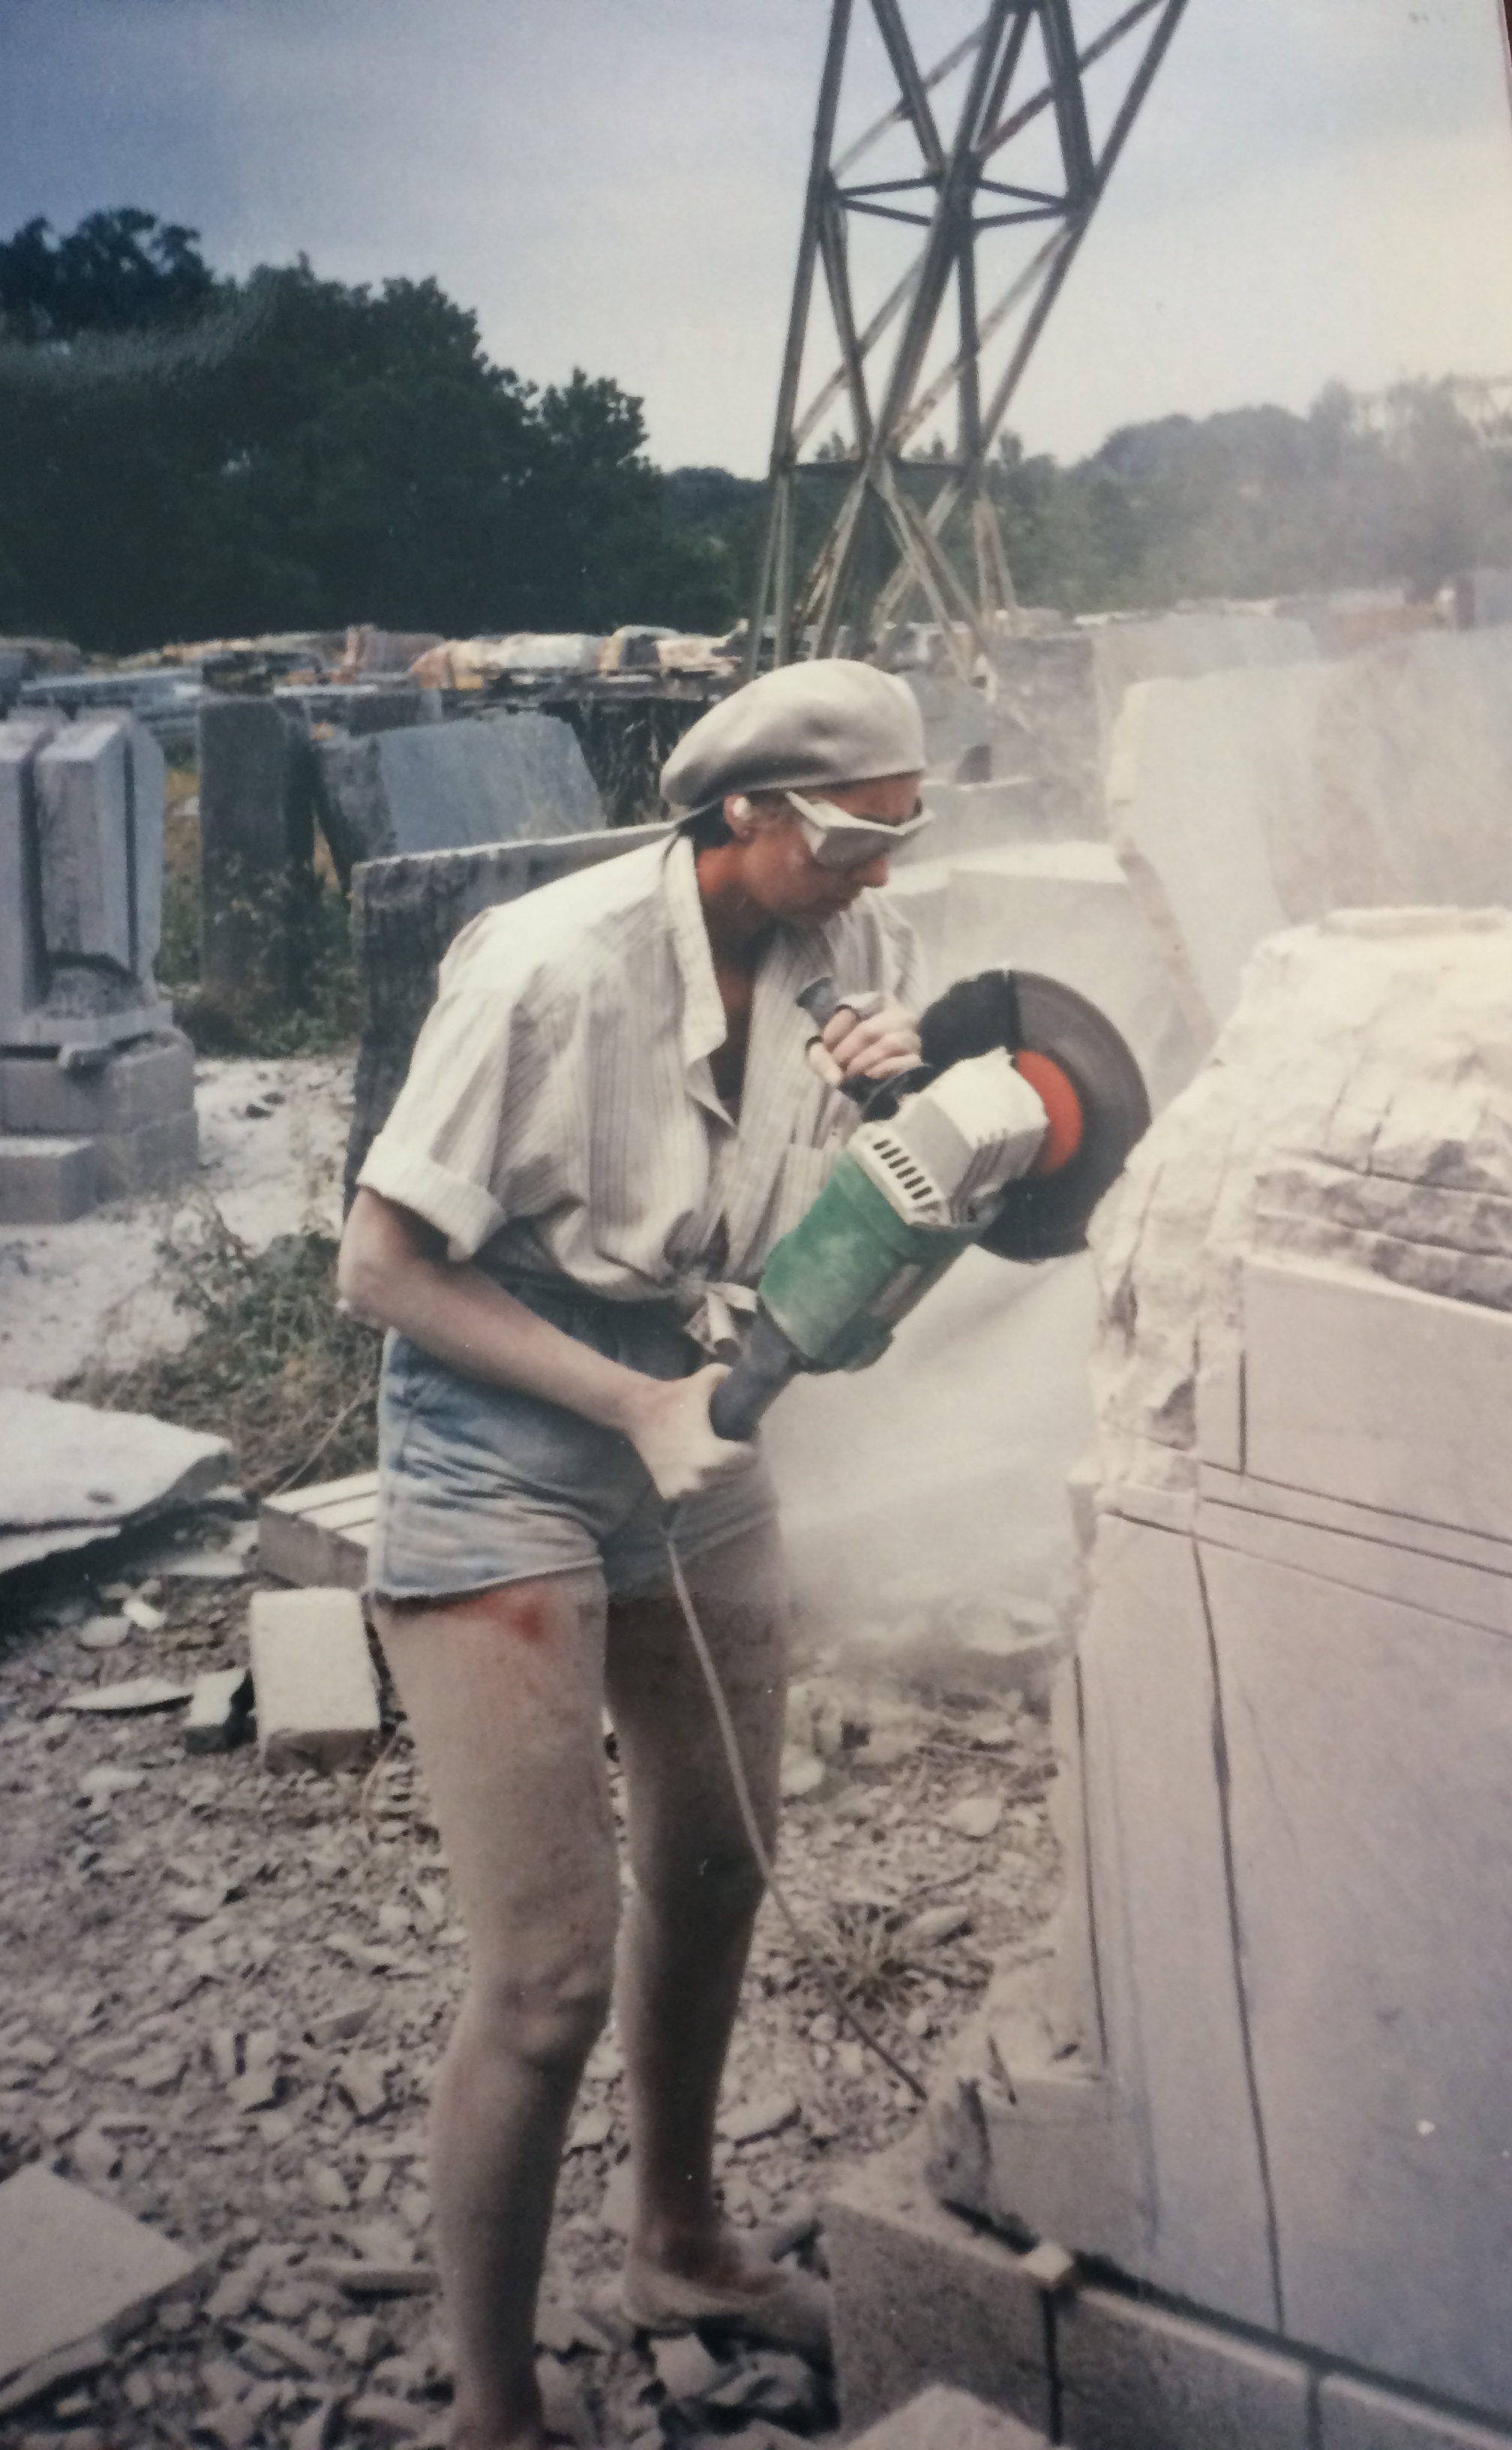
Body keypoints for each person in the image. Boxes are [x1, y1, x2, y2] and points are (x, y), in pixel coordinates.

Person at [336, 660, 930, 2450]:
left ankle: (678, 2242)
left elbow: (841, 1244)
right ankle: (494, 2408)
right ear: (745, 812)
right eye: (855, 838)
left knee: (722, 1857)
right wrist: (629, 1405)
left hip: (694, 1401)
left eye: (904, 834)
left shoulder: (849, 944)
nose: (883, 873)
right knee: (548, 1980)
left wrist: (898, 1133)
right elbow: (380, 1268)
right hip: (503, 1429)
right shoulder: (548, 966)